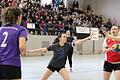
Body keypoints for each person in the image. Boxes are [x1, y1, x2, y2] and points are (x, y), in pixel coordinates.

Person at [0, 7, 27, 80]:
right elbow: (22, 47)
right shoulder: (21, 29)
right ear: (18, 17)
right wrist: (23, 53)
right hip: (12, 64)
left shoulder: (1, 29)